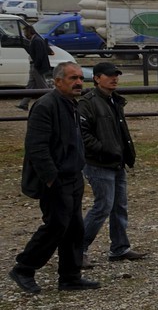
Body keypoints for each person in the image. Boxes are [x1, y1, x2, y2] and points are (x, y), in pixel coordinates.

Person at [12, 63, 99, 295]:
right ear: (58, 81)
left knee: (74, 228)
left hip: (73, 176)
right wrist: (51, 179)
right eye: (73, 78)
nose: (79, 82)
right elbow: (36, 147)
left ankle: (70, 276)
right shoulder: (45, 106)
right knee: (56, 225)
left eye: (80, 78)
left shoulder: (72, 104)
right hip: (56, 178)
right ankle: (24, 268)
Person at [79, 61, 148, 265]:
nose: (114, 78)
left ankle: (119, 247)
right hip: (99, 163)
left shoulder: (114, 100)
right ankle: (78, 248)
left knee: (119, 206)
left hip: (116, 162)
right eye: (109, 75)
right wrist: (104, 149)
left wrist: (125, 154)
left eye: (116, 75)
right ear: (97, 78)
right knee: (103, 206)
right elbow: (83, 134)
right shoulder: (88, 102)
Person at [16, 23, 51, 111]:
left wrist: (36, 65)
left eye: (25, 32)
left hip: (36, 66)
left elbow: (39, 54)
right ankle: (24, 104)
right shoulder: (35, 40)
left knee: (42, 86)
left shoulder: (36, 40)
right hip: (34, 65)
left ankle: (51, 101)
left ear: (29, 32)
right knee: (30, 86)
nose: (24, 34)